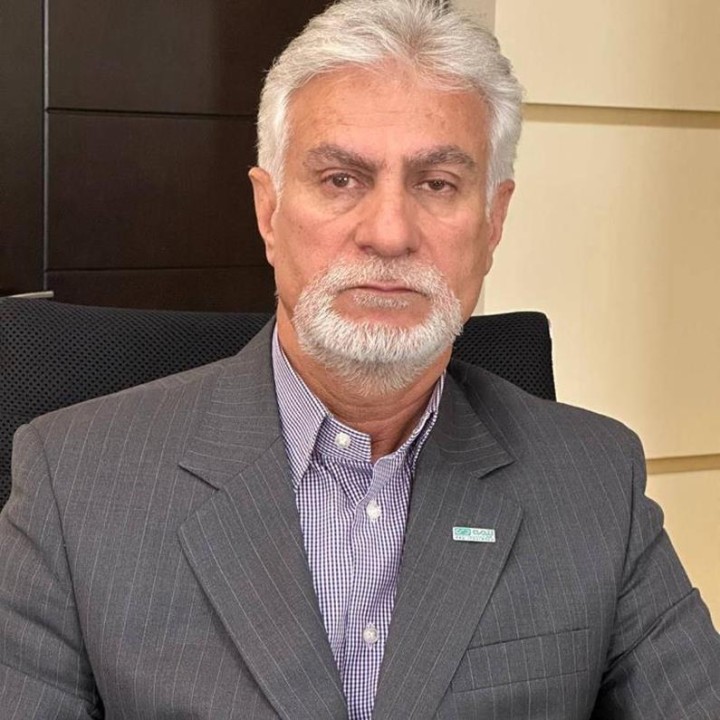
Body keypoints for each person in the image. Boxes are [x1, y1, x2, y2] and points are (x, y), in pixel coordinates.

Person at [1, 0, 718, 717]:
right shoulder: (74, 484)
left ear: (493, 221)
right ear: (268, 212)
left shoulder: (595, 481)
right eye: (341, 178)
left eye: (437, 183)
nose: (389, 233)